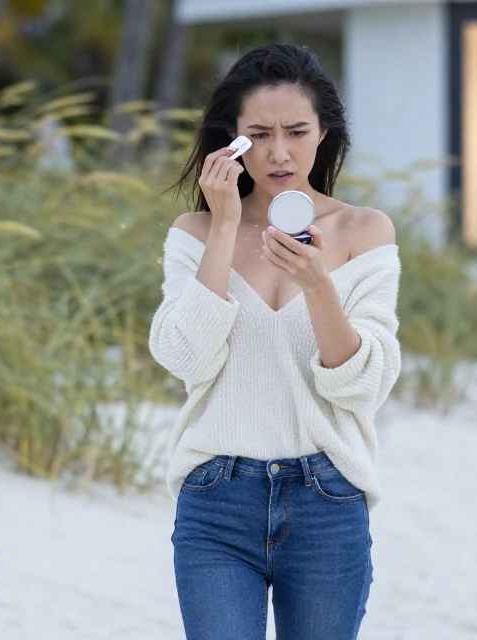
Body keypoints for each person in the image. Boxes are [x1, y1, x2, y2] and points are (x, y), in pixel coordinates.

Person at [151, 43, 402, 639]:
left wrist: (318, 286)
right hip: (216, 498)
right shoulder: (195, 233)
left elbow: (364, 386)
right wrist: (225, 226)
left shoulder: (364, 230)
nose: (279, 152)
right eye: (259, 135)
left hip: (327, 500)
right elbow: (186, 358)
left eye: (296, 131)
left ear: (323, 133)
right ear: (233, 140)